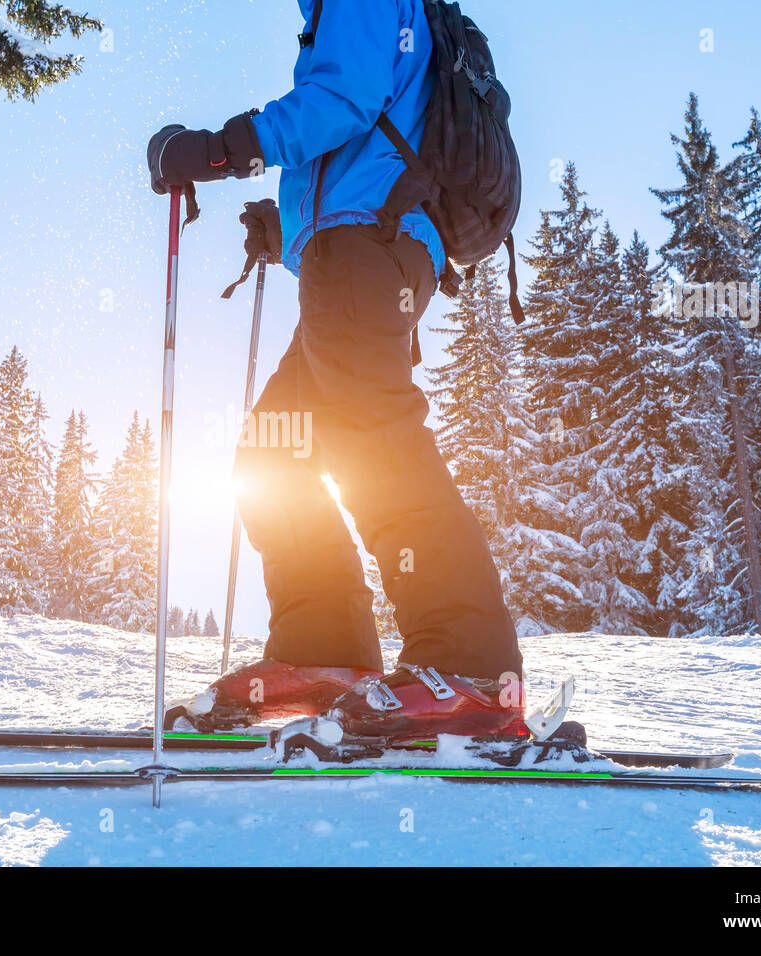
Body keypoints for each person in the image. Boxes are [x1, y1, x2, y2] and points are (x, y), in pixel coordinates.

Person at [146, 0, 525, 743]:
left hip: (366, 248)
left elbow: (340, 101)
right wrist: (285, 227)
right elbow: (374, 136)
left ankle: (472, 667)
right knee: (272, 454)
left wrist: (221, 150)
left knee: (374, 440)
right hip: (356, 247)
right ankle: (327, 653)